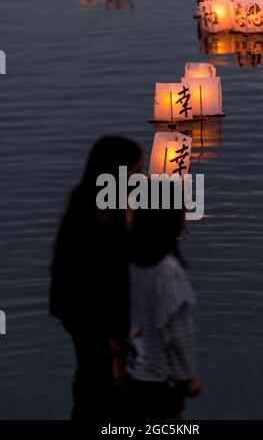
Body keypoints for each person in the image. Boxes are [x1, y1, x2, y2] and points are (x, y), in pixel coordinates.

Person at [50, 136, 142, 421]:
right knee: (106, 395)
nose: (140, 179)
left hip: (84, 321)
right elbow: (102, 286)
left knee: (90, 389)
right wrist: (116, 348)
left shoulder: (86, 206)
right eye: (135, 172)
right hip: (99, 326)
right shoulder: (96, 222)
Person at [128, 183, 202, 421]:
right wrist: (188, 377)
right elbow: (177, 332)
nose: (185, 220)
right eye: (181, 213)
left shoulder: (128, 264)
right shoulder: (168, 271)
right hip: (159, 379)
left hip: (130, 373)